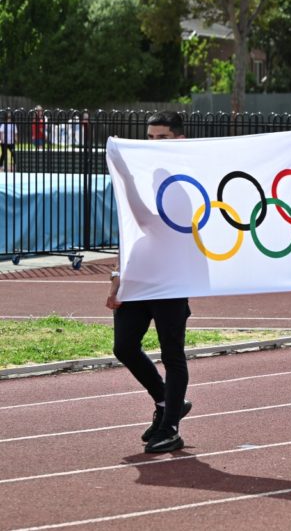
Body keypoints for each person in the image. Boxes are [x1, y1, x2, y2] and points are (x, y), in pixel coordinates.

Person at [106, 111, 194, 453]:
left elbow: (148, 221)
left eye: (163, 138)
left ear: (179, 139)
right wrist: (118, 275)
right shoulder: (145, 175)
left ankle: (170, 427)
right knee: (124, 346)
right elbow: (130, 229)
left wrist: (125, 176)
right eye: (151, 138)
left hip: (171, 278)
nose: (155, 143)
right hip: (139, 275)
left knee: (173, 353)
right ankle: (164, 401)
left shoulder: (185, 180)